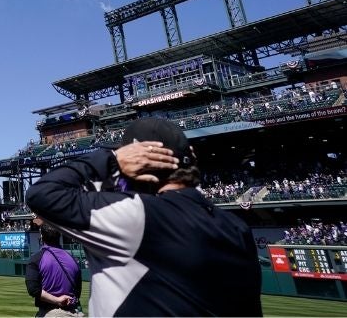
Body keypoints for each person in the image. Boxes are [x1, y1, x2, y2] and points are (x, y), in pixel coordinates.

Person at [26, 118, 262, 316]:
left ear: (138, 164)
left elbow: (42, 194)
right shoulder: (237, 228)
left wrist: (111, 160)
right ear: (191, 155)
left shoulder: (137, 215)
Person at [25, 221, 83, 317]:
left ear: (42, 237)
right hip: (74, 313)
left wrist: (57, 300)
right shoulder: (73, 259)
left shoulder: (36, 259)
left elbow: (33, 290)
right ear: (59, 236)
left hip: (50, 313)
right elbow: (77, 291)